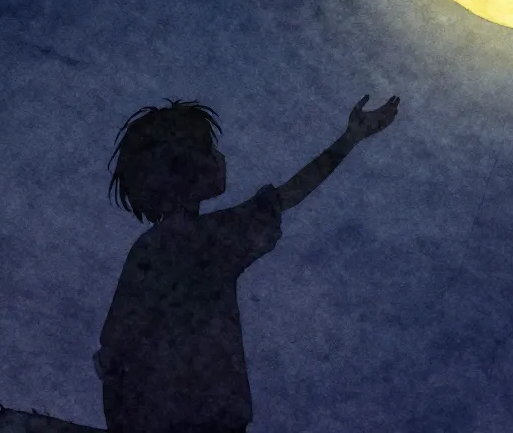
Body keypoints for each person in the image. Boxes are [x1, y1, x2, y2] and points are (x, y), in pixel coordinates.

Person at [95, 94, 401, 433]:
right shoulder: (209, 238)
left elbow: (114, 351)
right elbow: (289, 194)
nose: (221, 158)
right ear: (186, 167)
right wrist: (349, 139)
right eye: (210, 151)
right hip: (205, 419)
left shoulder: (151, 248)